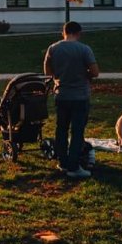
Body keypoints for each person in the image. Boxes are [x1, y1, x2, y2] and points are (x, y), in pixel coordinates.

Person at [44, 21, 99, 179]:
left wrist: (59, 76)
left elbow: (48, 72)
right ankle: (74, 166)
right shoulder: (84, 49)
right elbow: (95, 72)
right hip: (80, 96)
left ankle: (62, 162)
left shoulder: (53, 48)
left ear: (64, 32)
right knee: (77, 132)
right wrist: (85, 74)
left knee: (61, 130)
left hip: (61, 95)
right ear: (78, 33)